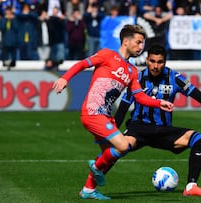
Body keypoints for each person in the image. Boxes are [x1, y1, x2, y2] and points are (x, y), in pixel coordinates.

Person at [52, 24, 174, 200]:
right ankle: (95, 166)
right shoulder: (107, 55)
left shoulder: (132, 71)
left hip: (106, 116)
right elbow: (82, 64)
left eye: (142, 43)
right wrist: (64, 78)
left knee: (110, 156)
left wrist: (158, 103)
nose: (141, 47)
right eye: (139, 42)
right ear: (126, 41)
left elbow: (139, 96)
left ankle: (88, 189)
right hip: (93, 112)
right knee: (123, 146)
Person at [114, 44, 201, 197]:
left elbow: (200, 97)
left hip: (163, 131)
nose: (155, 66)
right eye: (152, 61)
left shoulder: (175, 78)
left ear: (165, 62)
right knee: (117, 148)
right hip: (139, 129)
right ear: (146, 60)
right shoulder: (136, 79)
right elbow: (122, 108)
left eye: (159, 62)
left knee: (198, 139)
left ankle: (191, 186)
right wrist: (111, 133)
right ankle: (92, 184)